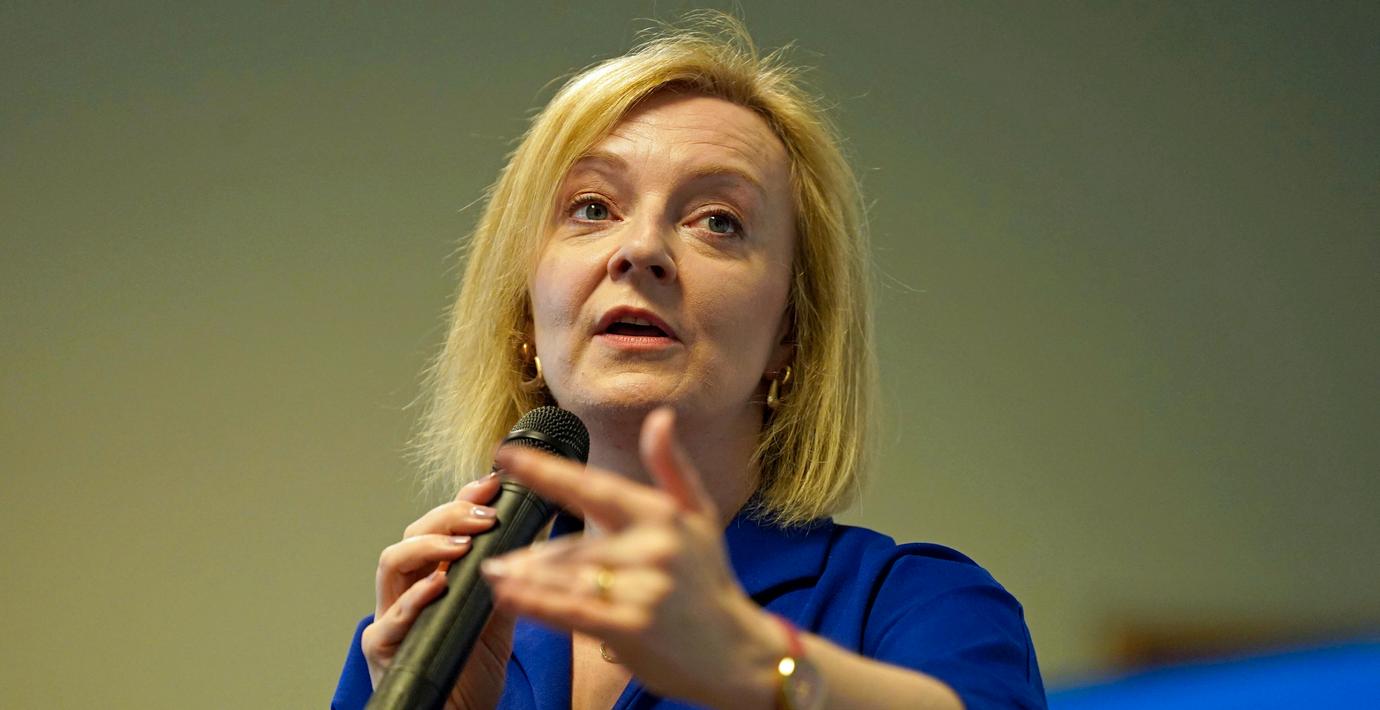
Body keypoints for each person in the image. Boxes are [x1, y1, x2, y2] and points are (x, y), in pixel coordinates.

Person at [333, 13, 1045, 710]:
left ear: (792, 332)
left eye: (718, 221)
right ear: (525, 316)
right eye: (592, 207)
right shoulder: (426, 638)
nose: (640, 249)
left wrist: (763, 669)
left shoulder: (921, 607)